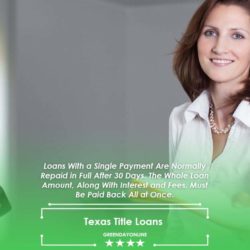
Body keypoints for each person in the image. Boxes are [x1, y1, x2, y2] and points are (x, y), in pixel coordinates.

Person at [167, 0, 250, 247]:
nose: (219, 47)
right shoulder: (180, 118)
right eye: (210, 33)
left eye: (237, 35)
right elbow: (176, 216)